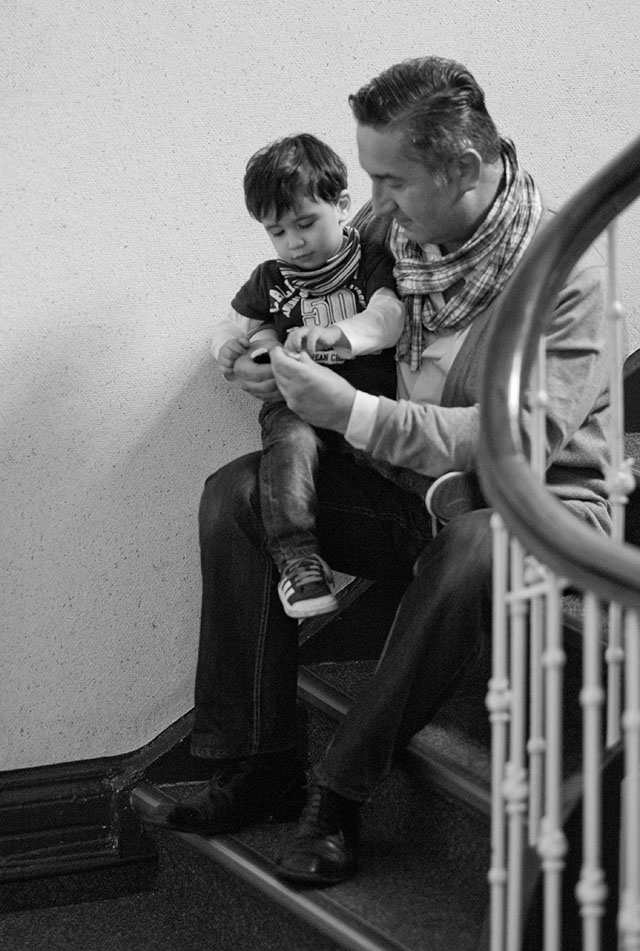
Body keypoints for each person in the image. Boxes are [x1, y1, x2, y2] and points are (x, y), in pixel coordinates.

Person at [141, 56, 612, 888]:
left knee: (478, 546)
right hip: (408, 490)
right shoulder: (395, 226)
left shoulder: (567, 269)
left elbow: (519, 441)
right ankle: (262, 762)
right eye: (368, 178)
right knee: (237, 494)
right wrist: (271, 359)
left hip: (537, 509)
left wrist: (346, 412)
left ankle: (339, 791)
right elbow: (326, 311)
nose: (374, 203)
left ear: (464, 167)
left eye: (390, 181)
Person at [211, 133, 405, 618]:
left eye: (305, 223)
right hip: (295, 403)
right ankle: (299, 563)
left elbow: (390, 316)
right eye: (277, 232)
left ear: (341, 205)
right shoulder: (270, 279)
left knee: (397, 451)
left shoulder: (368, 260)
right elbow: (236, 326)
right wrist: (238, 350)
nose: (294, 243)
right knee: (288, 450)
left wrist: (339, 334)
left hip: (363, 398)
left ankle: (452, 507)